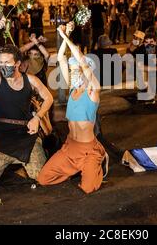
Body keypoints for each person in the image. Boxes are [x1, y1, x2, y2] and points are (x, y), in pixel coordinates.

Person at [0, 18, 53, 185]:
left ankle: (21, 160)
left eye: (7, 63)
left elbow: (49, 98)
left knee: (41, 177)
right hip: (2, 137)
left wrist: (37, 117)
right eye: (1, 62)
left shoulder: (30, 80)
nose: (3, 66)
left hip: (26, 136)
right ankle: (10, 162)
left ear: (17, 63)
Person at [37, 22, 108, 194]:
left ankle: (99, 160)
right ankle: (75, 170)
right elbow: (61, 58)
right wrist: (63, 35)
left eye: (78, 70)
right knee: (43, 178)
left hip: (88, 151)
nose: (74, 73)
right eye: (72, 70)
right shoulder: (72, 89)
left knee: (88, 188)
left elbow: (82, 61)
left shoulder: (93, 91)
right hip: (70, 148)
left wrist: (66, 37)